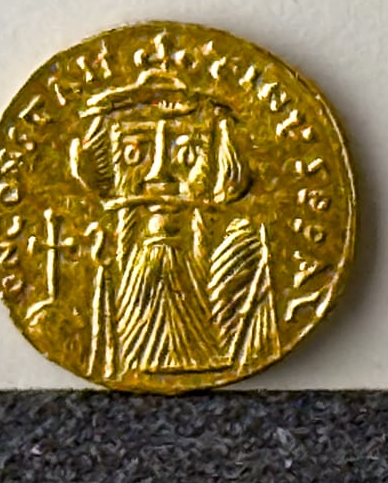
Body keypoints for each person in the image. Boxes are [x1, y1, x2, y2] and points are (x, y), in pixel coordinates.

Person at [69, 68, 274, 380]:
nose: (159, 175)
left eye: (189, 153)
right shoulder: (101, 276)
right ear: (106, 170)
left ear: (219, 166)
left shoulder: (251, 278)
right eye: (133, 153)